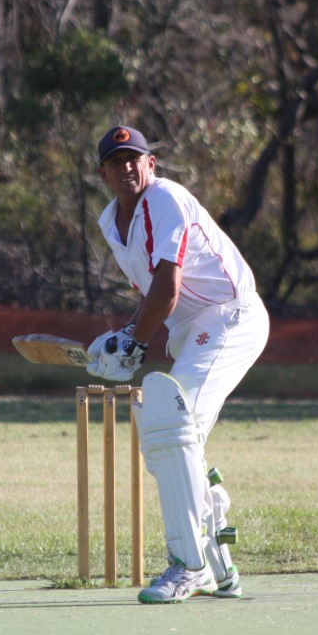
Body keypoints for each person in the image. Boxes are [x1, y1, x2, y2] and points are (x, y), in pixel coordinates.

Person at [87, 125, 270, 604]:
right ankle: (217, 565)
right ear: (103, 172)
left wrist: (131, 341)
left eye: (135, 158)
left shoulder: (163, 198)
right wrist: (125, 341)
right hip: (195, 328)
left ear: (151, 164)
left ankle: (188, 566)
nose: (127, 167)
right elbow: (150, 298)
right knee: (166, 430)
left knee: (171, 416)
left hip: (230, 315)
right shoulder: (111, 222)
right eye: (116, 160)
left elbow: (167, 290)